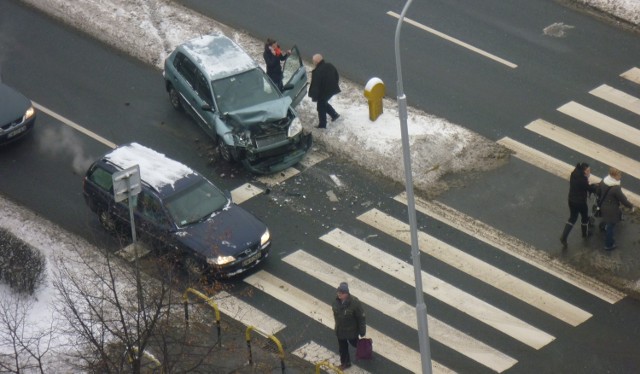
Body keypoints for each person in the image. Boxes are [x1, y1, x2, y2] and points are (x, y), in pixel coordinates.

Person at [560, 162, 597, 248]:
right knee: (584, 217)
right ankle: (585, 233)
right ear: (584, 171)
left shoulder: (574, 174)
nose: (589, 172)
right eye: (588, 170)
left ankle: (564, 237)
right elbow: (588, 188)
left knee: (572, 218)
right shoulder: (583, 180)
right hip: (580, 202)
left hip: (571, 200)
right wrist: (595, 187)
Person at [597, 167, 634, 251]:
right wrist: (631, 206)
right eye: (619, 175)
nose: (620, 176)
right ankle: (608, 244)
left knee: (606, 219)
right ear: (614, 176)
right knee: (611, 227)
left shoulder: (604, 181)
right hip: (612, 210)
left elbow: (598, 191)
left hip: (603, 205)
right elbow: (623, 200)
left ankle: (603, 226)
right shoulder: (616, 188)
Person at [332, 282, 366, 370]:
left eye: (342, 293)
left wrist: (362, 331)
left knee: (355, 343)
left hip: (351, 332)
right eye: (338, 292)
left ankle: (365, 349)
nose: (339, 294)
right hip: (340, 331)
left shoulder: (355, 303)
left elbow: (361, 318)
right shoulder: (336, 302)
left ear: (347, 293)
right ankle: (345, 363)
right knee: (343, 349)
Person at [309, 54, 341, 129]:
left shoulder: (317, 71)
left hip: (323, 92)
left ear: (317, 61)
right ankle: (334, 115)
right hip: (332, 90)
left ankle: (322, 125)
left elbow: (315, 86)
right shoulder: (330, 65)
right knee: (323, 103)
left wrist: (314, 96)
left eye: (313, 61)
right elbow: (336, 75)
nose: (313, 62)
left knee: (320, 107)